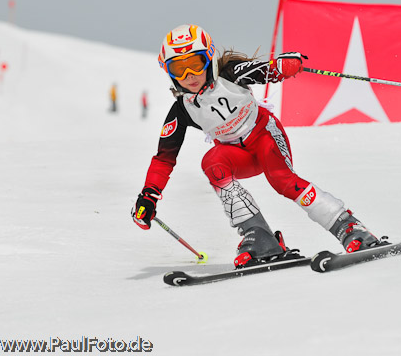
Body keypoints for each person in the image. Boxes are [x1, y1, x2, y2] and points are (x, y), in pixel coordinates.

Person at [131, 24, 386, 268]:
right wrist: (149, 196)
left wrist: (283, 67)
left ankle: (349, 227)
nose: (189, 76)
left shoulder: (229, 74)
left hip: (265, 136)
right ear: (168, 71)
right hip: (238, 155)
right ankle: (260, 237)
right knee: (212, 162)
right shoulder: (182, 110)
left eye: (195, 65)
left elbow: (263, 70)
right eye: (179, 68)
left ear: (209, 58)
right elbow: (164, 159)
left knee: (282, 180)